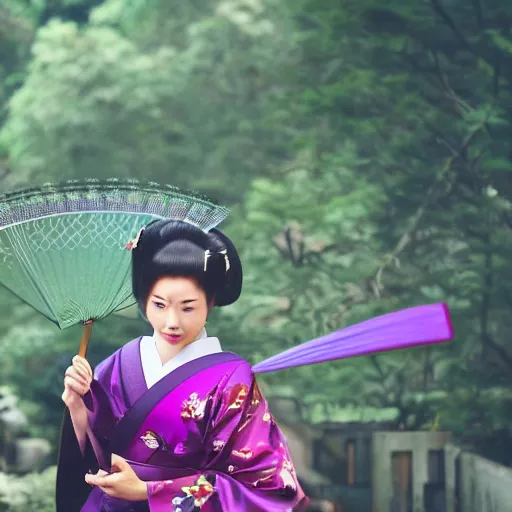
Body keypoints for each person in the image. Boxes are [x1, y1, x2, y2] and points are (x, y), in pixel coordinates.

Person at [57, 219, 308, 512]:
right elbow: (94, 456)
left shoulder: (232, 380)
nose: (172, 322)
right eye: (159, 305)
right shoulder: (120, 362)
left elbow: (264, 484)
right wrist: (77, 405)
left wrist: (149, 492)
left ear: (210, 303)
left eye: (188, 307)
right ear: (143, 300)